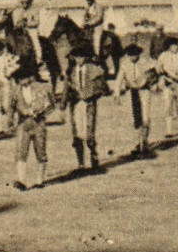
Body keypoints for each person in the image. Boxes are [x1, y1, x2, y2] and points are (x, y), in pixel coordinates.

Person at [8, 66, 54, 191]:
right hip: (23, 124)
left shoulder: (41, 87)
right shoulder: (15, 91)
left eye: (23, 78)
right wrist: (10, 121)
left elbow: (51, 105)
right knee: (21, 152)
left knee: (41, 151)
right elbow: (11, 107)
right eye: (19, 79)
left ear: (30, 78)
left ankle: (40, 180)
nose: (21, 81)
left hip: (39, 123)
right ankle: (21, 180)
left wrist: (42, 112)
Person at [65, 44, 108, 173]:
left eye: (81, 57)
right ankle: (81, 164)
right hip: (76, 104)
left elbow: (102, 86)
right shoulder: (71, 71)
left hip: (89, 104)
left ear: (86, 57)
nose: (79, 60)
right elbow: (66, 88)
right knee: (77, 133)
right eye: (77, 57)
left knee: (89, 132)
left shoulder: (93, 69)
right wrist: (63, 104)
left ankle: (94, 157)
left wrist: (92, 92)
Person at [113, 43, 159, 158]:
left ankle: (144, 141)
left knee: (146, 118)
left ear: (138, 54)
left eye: (135, 55)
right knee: (135, 117)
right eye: (130, 55)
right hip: (132, 92)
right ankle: (139, 143)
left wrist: (154, 84)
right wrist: (117, 93)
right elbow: (119, 79)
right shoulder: (124, 64)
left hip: (144, 91)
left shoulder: (145, 62)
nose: (133, 57)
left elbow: (154, 74)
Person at [155, 34, 178, 134]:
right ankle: (169, 130)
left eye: (176, 45)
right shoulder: (163, 55)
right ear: (169, 46)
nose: (176, 47)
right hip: (168, 83)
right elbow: (158, 68)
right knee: (168, 106)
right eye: (173, 45)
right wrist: (163, 73)